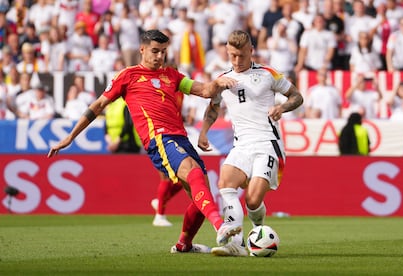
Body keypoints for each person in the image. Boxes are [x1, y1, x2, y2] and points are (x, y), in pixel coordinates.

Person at [47, 29, 241, 253]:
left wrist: (219, 81)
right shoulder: (128, 76)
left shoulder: (172, 76)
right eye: (155, 51)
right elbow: (98, 106)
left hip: (181, 137)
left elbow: (205, 91)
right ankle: (221, 226)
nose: (160, 57)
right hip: (159, 138)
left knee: (201, 197)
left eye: (164, 52)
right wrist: (70, 137)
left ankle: (183, 245)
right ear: (142, 50)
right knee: (194, 173)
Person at [198, 30, 303, 256]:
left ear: (251, 52)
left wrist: (281, 107)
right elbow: (213, 108)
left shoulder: (268, 74)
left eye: (241, 56)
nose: (236, 61)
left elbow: (297, 96)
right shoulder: (223, 79)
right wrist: (204, 132)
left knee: (253, 201)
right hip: (241, 146)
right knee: (225, 183)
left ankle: (257, 231)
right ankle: (236, 243)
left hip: (267, 144)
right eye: (232, 56)